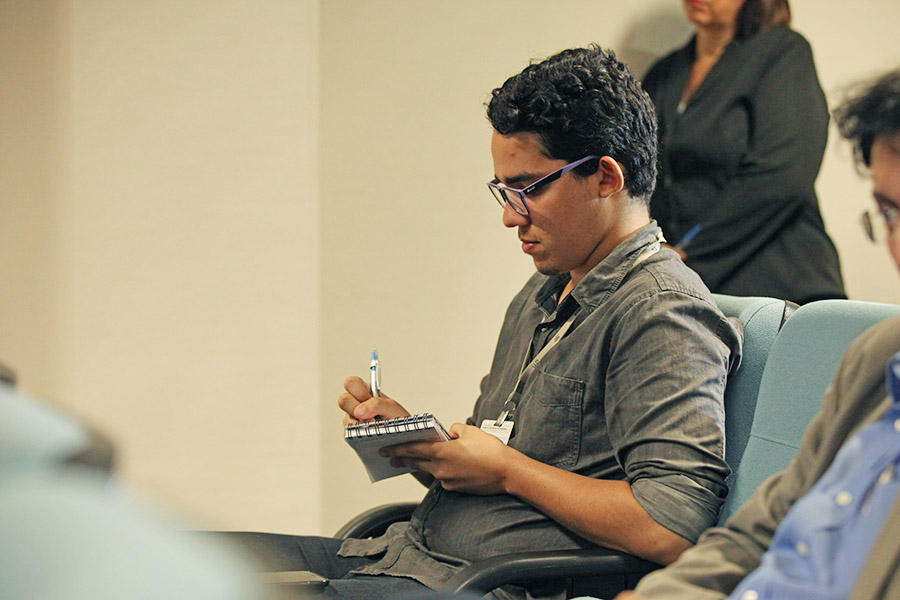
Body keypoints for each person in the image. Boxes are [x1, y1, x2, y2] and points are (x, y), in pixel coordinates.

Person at [227, 45, 741, 600]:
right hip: (406, 555)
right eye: (503, 190)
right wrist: (424, 446)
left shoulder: (661, 310)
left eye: (529, 188)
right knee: (177, 559)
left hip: (484, 586)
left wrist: (504, 470)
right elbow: (493, 463)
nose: (509, 215)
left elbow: (674, 526)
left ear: (606, 178)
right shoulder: (541, 292)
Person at [607, 66, 900, 600]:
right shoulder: (877, 359)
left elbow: (668, 519)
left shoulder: (660, 302)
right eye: (891, 214)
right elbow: (757, 534)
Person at [641, 0, 845, 304]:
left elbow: (785, 174)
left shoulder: (782, 50)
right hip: (692, 290)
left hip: (781, 284)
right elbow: (640, 175)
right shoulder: (664, 73)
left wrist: (690, 252)